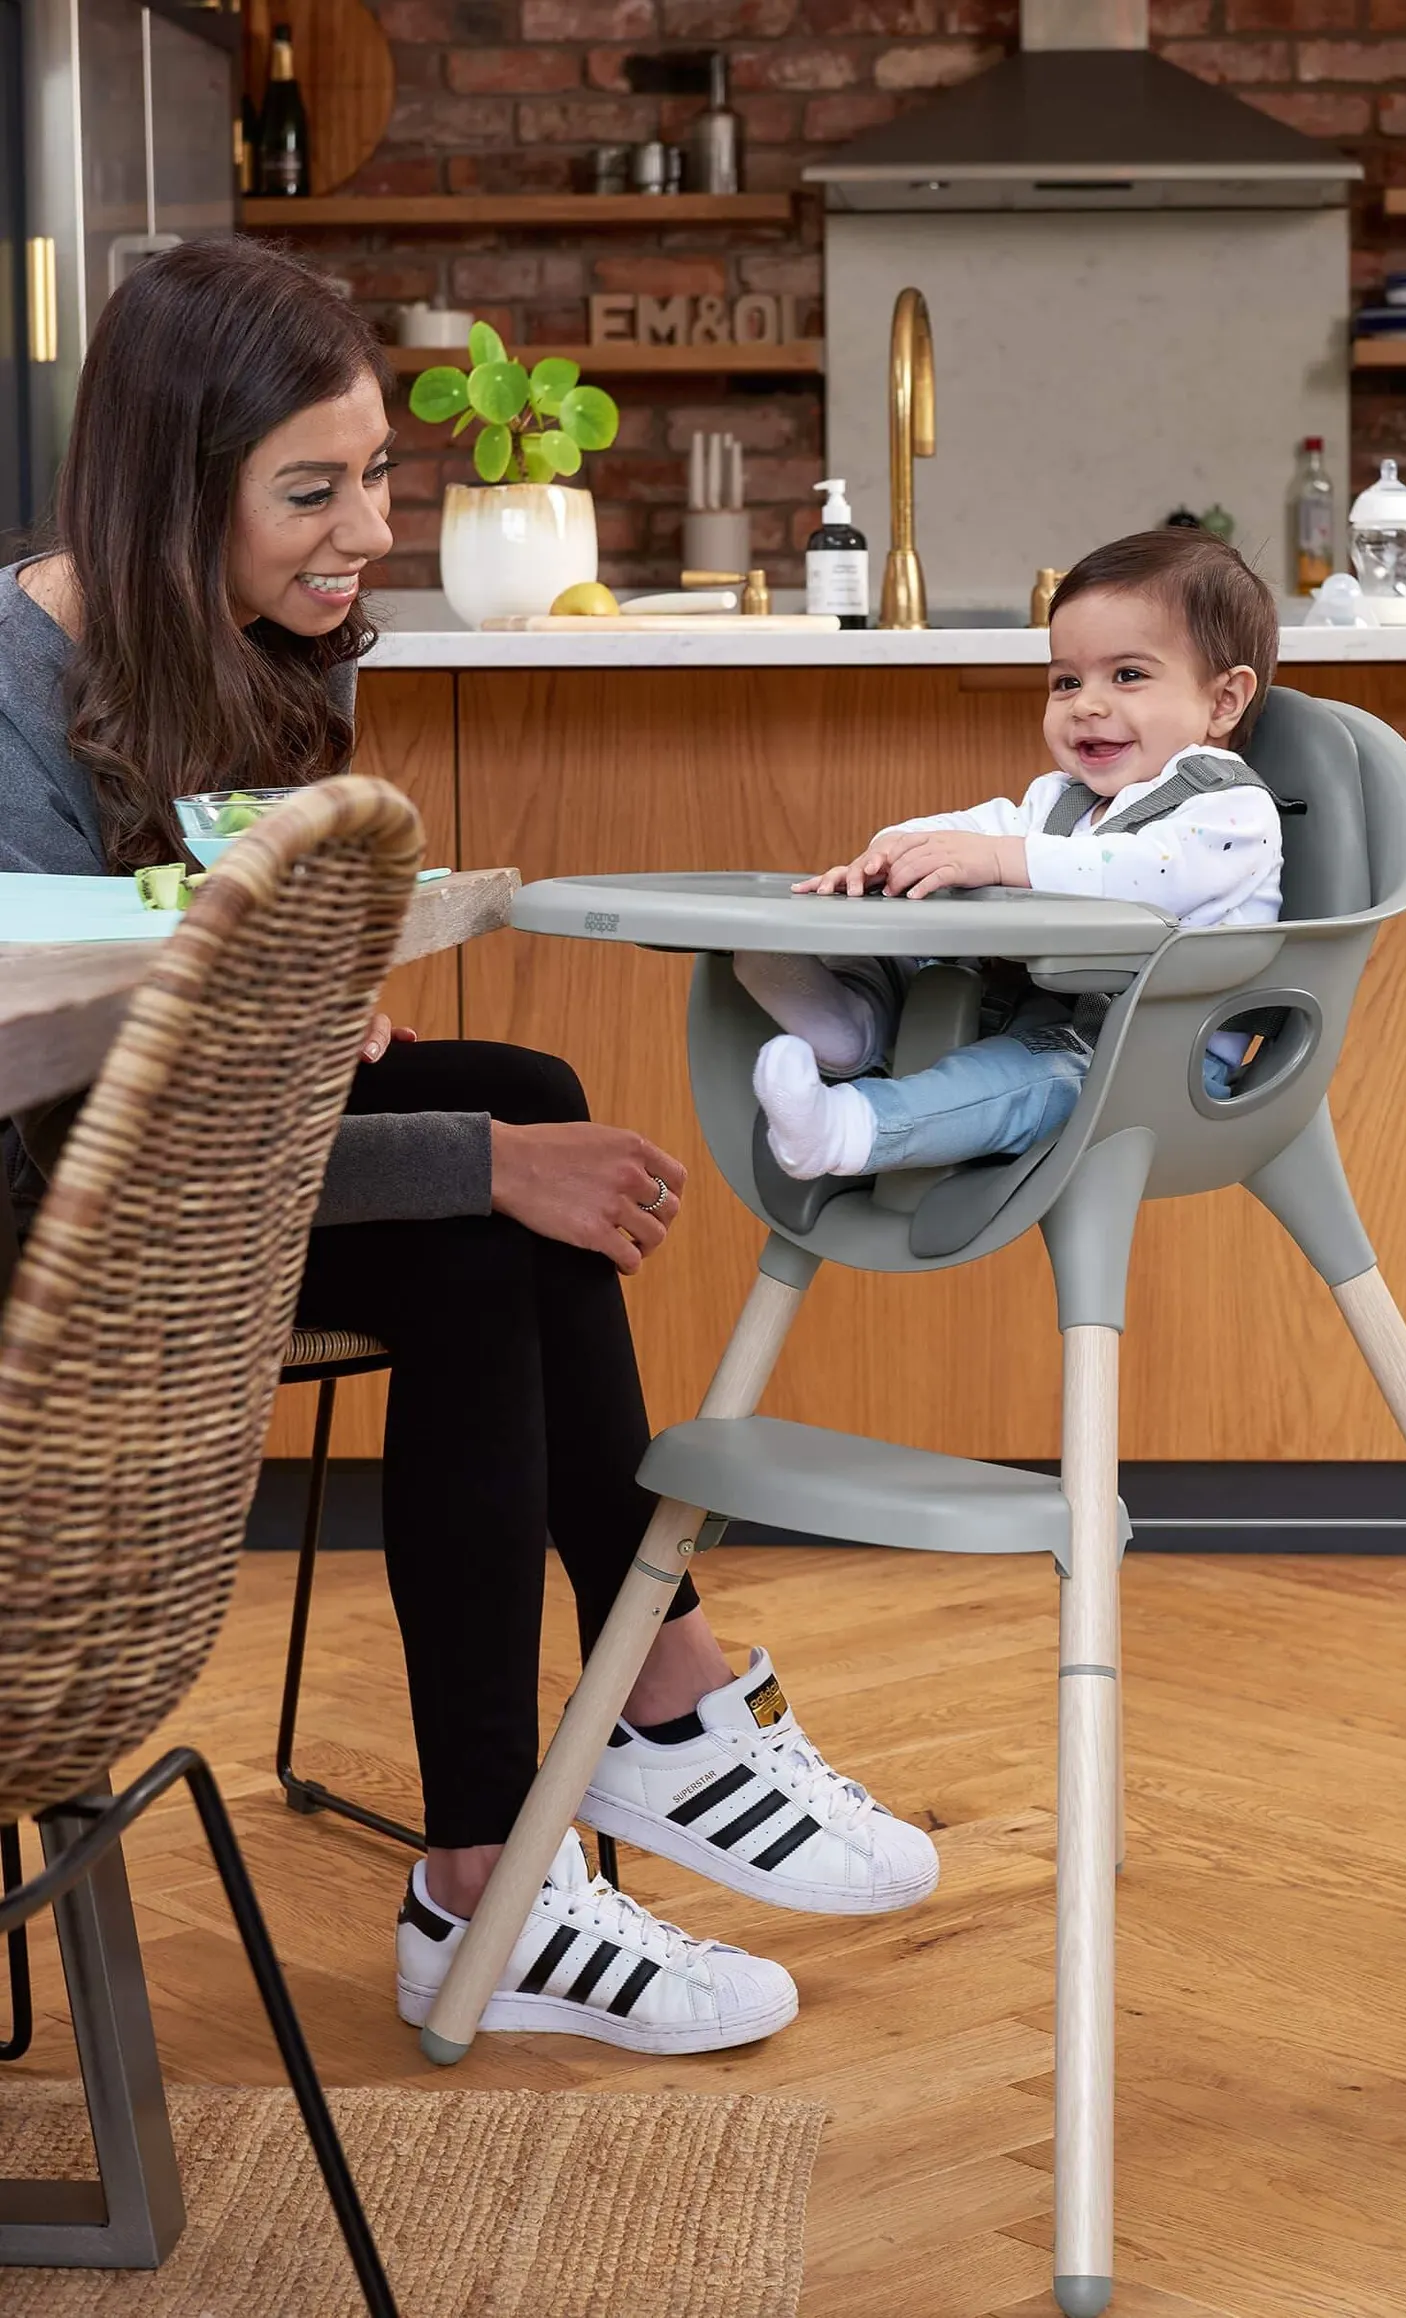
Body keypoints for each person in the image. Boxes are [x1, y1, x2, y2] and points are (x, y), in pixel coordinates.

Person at [0, 237, 936, 2058]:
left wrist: (318, 1003)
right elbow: (79, 1152)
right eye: (311, 489)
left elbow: (202, 978)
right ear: (166, 486)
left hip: (166, 1158)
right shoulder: (0, 701)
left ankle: (583, 1771)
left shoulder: (245, 639)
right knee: (487, 1206)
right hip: (54, 1233)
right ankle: (561, 1795)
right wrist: (473, 1167)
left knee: (513, 1077)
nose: (362, 530)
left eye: (374, 478)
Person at [743, 529, 1284, 1181]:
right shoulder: (1064, 799)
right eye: (1065, 681)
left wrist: (1002, 860)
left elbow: (1148, 877)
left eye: (1128, 675)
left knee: (1008, 1080)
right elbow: (979, 827)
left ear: (1223, 700)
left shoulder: (1229, 807)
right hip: (1044, 1022)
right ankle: (849, 1021)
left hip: (1156, 1061)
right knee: (930, 966)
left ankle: (851, 1128)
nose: (1086, 704)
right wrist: (897, 849)